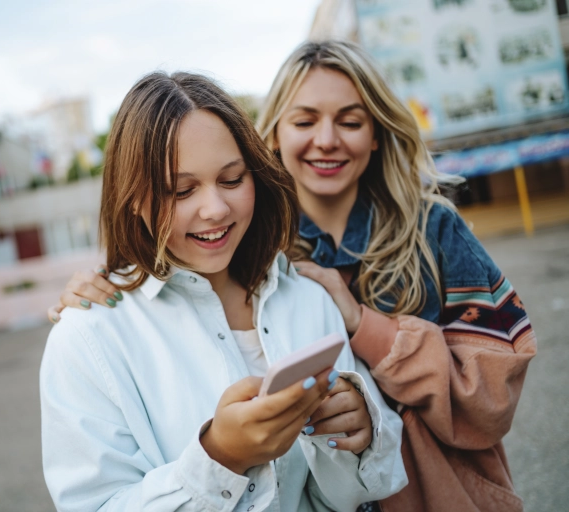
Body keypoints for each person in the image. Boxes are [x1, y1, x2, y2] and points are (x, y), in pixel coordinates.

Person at [50, 41, 536, 512]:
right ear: (273, 136)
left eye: (350, 121)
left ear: (377, 131)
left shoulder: (430, 231)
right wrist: (104, 285)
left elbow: (490, 399)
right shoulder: (255, 251)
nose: (326, 139)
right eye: (304, 121)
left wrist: (361, 329)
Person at [40, 71, 407, 512]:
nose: (215, 209)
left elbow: (355, 491)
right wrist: (221, 457)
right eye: (181, 190)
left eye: (232, 180)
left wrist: (360, 432)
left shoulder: (308, 298)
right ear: (133, 197)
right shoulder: (87, 336)